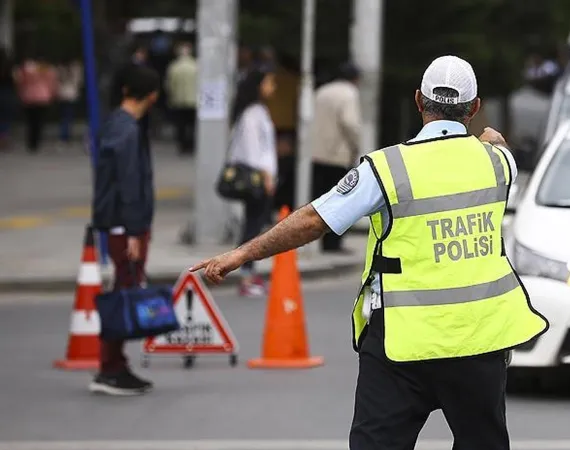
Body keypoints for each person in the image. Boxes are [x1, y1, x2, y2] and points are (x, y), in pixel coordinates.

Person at [190, 55, 549, 449]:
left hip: (401, 343)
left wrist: (242, 254)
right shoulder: (498, 164)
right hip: (479, 341)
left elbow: (314, 220)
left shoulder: (386, 168)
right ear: (475, 107)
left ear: (418, 100)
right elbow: (498, 144)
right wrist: (492, 139)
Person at [90, 64, 160, 396]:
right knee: (124, 294)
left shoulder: (117, 124)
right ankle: (110, 368)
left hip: (121, 223)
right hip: (125, 226)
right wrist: (134, 231)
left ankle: (115, 365)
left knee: (124, 290)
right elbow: (129, 183)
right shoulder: (127, 130)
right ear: (153, 96)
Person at [226, 65, 279, 297]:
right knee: (252, 227)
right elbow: (252, 150)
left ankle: (249, 273)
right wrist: (266, 176)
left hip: (262, 177)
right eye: (269, 82)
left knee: (255, 225)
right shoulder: (252, 114)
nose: (273, 87)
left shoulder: (258, 111)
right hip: (257, 178)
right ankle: (246, 276)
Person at [309, 61, 361, 253]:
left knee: (321, 199)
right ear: (355, 79)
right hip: (338, 155)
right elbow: (350, 122)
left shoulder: (321, 91)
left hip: (317, 153)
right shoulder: (349, 93)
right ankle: (333, 244)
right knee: (340, 200)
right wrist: (356, 144)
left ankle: (320, 240)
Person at [13, 54, 57, 153]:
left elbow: (20, 81)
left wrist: (20, 93)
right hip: (43, 97)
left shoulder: (26, 69)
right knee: (39, 121)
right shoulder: (47, 69)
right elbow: (52, 83)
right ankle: (36, 141)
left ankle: (31, 142)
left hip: (28, 97)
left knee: (30, 121)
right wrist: (52, 95)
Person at [165, 42, 197, 155]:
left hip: (179, 100)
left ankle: (183, 145)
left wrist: (171, 97)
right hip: (193, 100)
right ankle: (191, 144)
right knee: (192, 124)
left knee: (181, 124)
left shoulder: (174, 67)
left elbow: (170, 85)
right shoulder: (196, 66)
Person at [56, 57, 84, 143]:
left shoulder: (60, 69)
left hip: (62, 94)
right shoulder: (75, 69)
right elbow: (79, 82)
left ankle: (64, 134)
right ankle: (66, 134)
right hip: (71, 94)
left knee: (63, 116)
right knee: (69, 116)